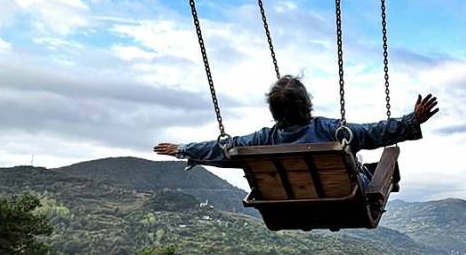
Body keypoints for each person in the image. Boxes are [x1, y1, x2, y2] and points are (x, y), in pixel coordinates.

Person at [154, 76, 439, 186]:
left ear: (274, 111)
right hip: (346, 198)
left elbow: (223, 151)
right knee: (387, 160)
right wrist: (413, 121)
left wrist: (184, 150)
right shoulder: (331, 130)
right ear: (307, 104)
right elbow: (376, 132)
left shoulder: (263, 140)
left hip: (289, 201)